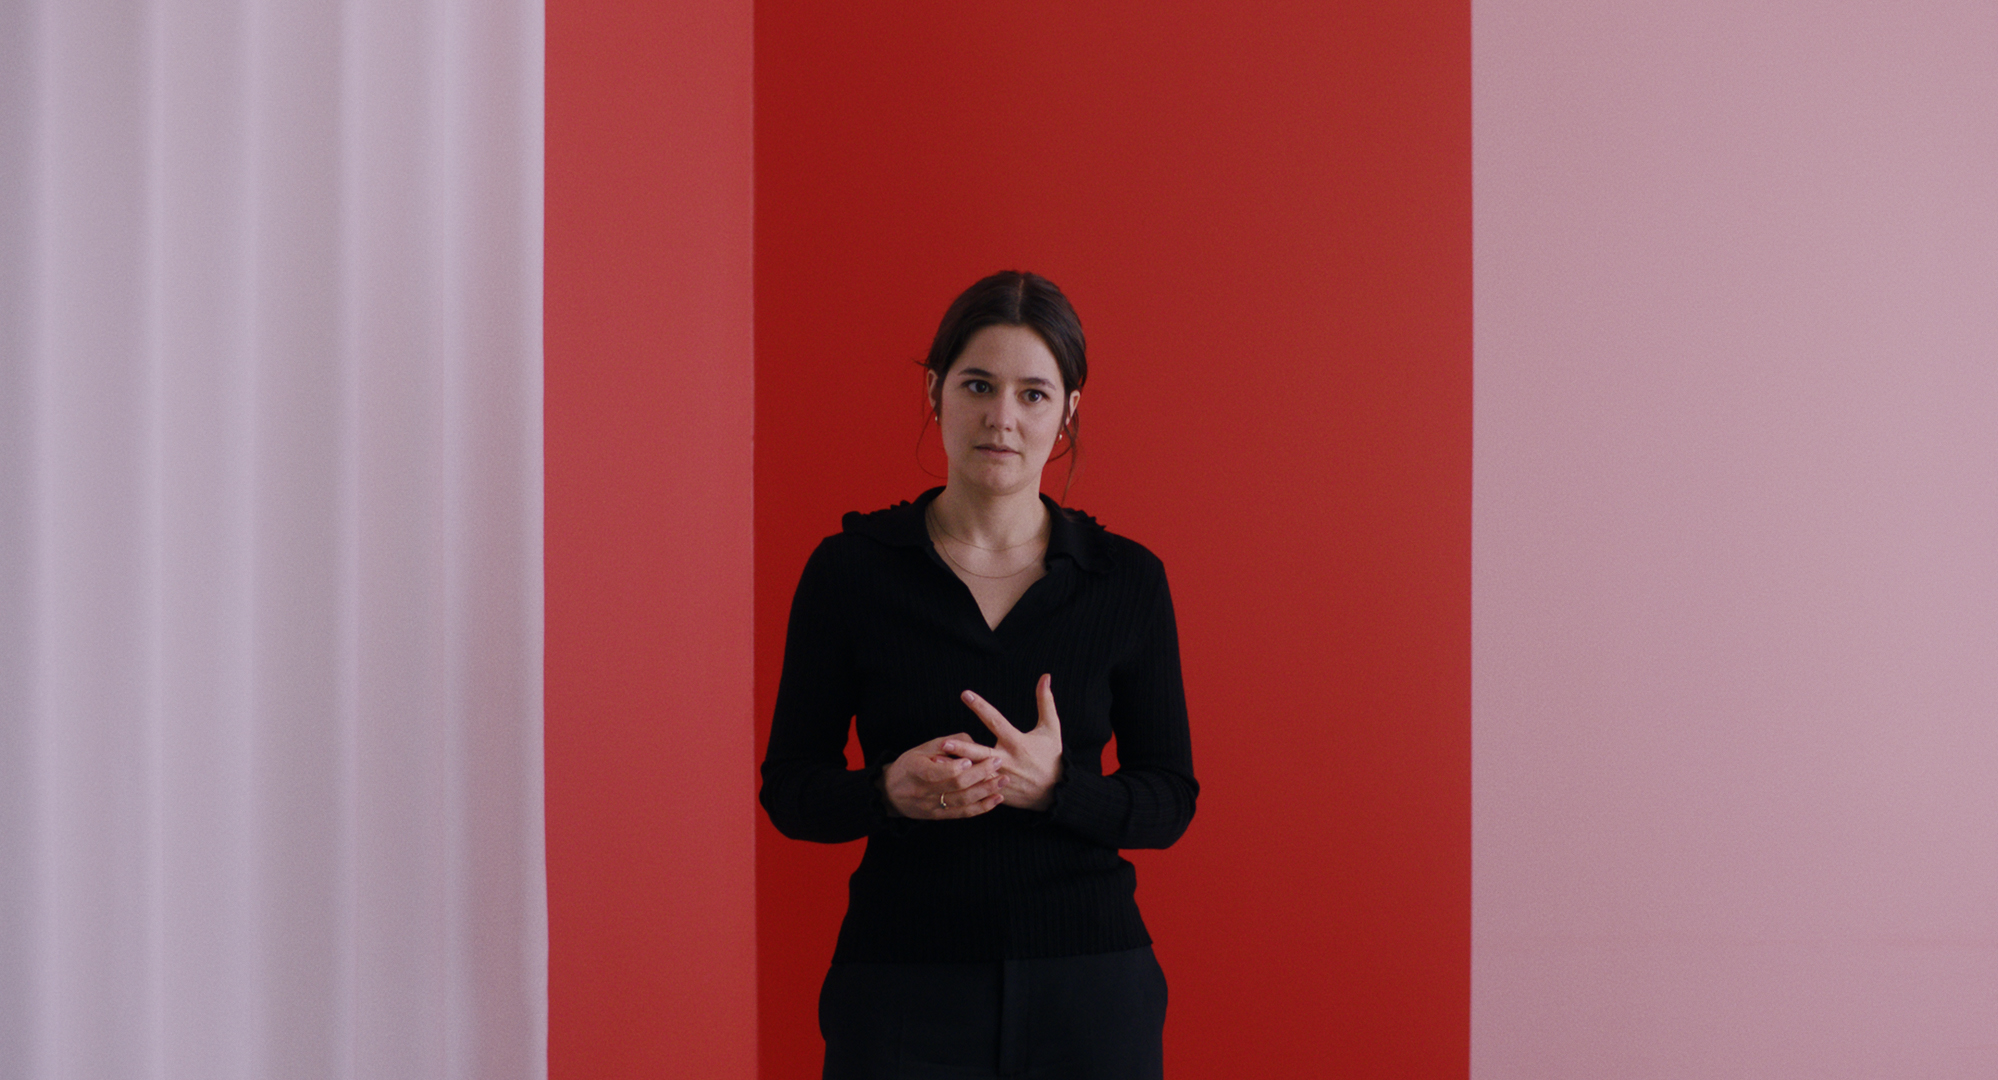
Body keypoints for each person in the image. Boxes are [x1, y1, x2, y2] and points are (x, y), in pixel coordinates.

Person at [760, 270, 1198, 1080]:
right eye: (977, 385)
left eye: (1034, 394)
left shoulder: (1126, 580)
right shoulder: (850, 571)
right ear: (934, 392)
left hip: (1090, 989)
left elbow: (1171, 800)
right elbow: (789, 789)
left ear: (1069, 410)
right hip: (900, 987)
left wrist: (1057, 787)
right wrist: (887, 790)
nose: (1003, 417)